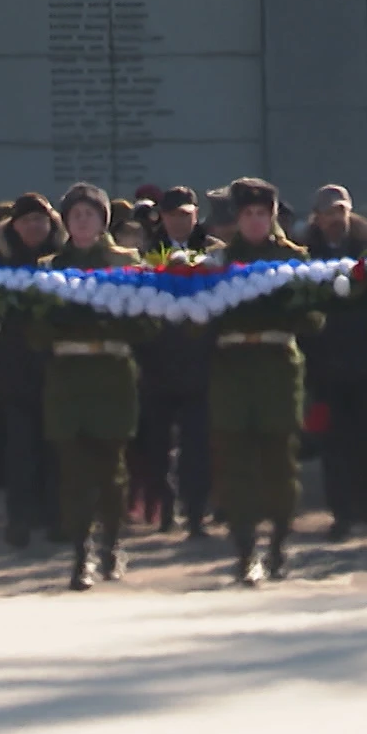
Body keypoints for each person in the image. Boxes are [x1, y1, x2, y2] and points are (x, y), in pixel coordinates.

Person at [34, 182, 153, 589]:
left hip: (112, 375)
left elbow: (147, 323)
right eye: (76, 215)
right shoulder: (50, 267)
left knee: (111, 471)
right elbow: (36, 331)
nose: (83, 221)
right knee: (73, 472)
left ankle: (112, 545)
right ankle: (80, 553)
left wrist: (114, 314)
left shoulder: (127, 263)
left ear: (104, 220)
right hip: (68, 377)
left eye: (90, 214)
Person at [208, 177, 325, 584]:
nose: (256, 222)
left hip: (277, 369)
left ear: (273, 217)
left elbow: (314, 319)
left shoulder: (295, 260)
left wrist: (287, 302)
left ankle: (277, 542)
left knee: (279, 464)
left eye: (263, 214)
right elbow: (196, 324)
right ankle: (244, 550)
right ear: (238, 219)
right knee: (236, 466)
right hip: (233, 372)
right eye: (248, 215)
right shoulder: (217, 263)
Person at [299, 184, 367, 541]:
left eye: (340, 212)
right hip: (328, 367)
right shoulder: (307, 254)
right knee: (334, 445)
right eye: (328, 214)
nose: (335, 220)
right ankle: (342, 513)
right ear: (317, 217)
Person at [135, 193, 225, 539]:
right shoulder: (147, 252)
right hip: (158, 362)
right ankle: (164, 508)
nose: (178, 221)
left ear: (196, 215)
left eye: (185, 215)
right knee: (156, 446)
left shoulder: (214, 250)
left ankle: (196, 511)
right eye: (171, 215)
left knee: (197, 446)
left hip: (200, 361)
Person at [0, 193, 67, 548]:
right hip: (15, 371)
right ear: (13, 227)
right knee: (20, 450)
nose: (34, 227)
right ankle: (19, 519)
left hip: (58, 370)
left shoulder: (64, 262)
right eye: (26, 221)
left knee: (57, 449)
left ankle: (57, 517)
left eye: (40, 220)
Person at [156, 186, 213, 253]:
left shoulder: (214, 249)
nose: (177, 221)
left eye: (184, 214)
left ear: (196, 213)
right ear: (162, 216)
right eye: (172, 214)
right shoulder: (147, 249)